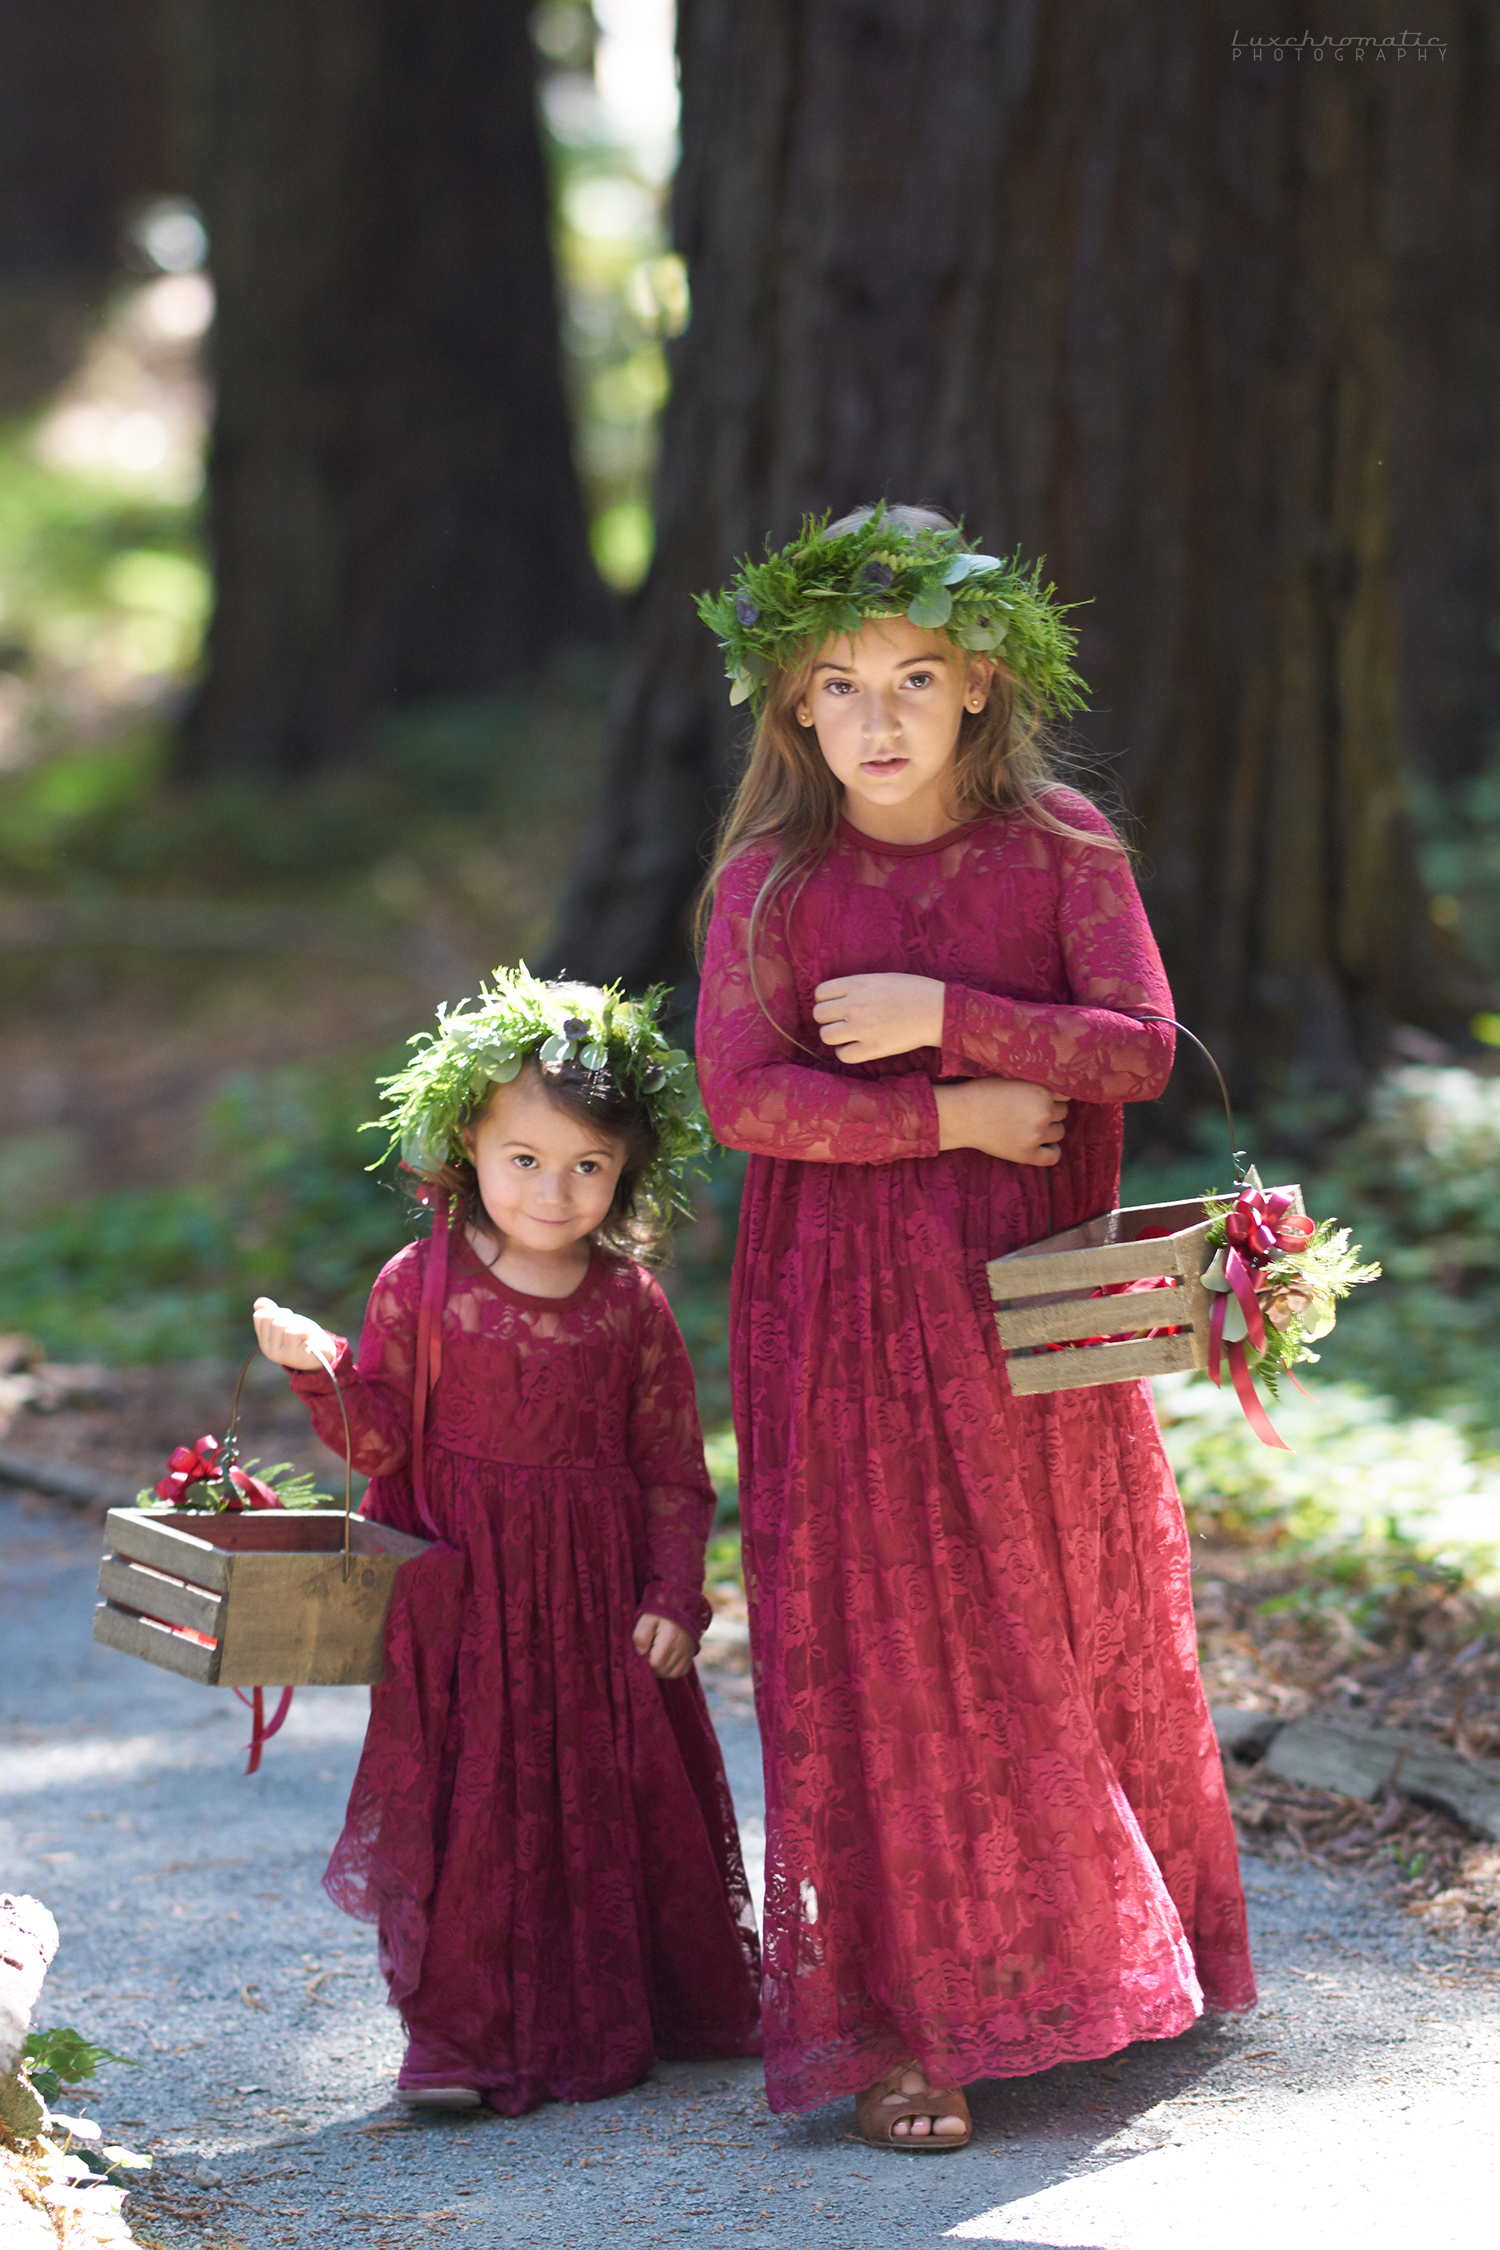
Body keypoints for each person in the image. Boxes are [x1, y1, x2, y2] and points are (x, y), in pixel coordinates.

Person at [693, 504, 1255, 2151]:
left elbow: (1141, 1049)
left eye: (915, 678)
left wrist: (955, 1020)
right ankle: (906, 2024)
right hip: (847, 1321)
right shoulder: (771, 883)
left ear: (983, 684)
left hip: (1029, 1306)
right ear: (793, 704)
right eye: (841, 685)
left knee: (1060, 1609)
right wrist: (948, 1116)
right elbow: (743, 1098)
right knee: (889, 1643)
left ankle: (1103, 1963)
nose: (877, 718)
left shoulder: (1063, 850)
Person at [252, 971, 760, 2115]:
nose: (554, 1189)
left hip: (596, 1599)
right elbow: (381, 1436)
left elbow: (675, 1470)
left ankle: (642, 2005)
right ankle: (460, 2044)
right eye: (524, 1158)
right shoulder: (419, 1285)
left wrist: (676, 1596)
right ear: (467, 1147)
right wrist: (315, 1365)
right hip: (470, 1598)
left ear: (628, 1169)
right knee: (469, 1808)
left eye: (588, 1165)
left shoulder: (629, 1303)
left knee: (609, 1798)